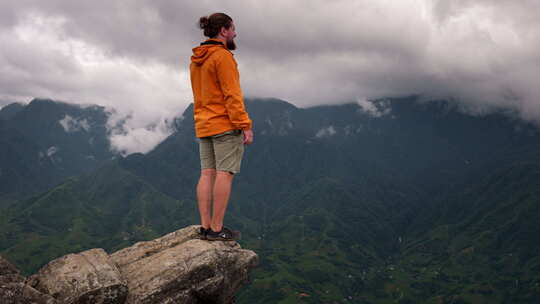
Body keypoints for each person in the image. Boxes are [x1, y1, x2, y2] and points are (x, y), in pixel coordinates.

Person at [190, 13, 253, 241]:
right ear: (224, 31)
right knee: (224, 174)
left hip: (204, 124)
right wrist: (244, 125)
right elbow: (232, 95)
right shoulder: (222, 57)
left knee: (206, 173)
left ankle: (205, 226)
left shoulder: (197, 59)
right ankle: (217, 230)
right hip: (225, 124)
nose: (235, 33)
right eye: (233, 28)